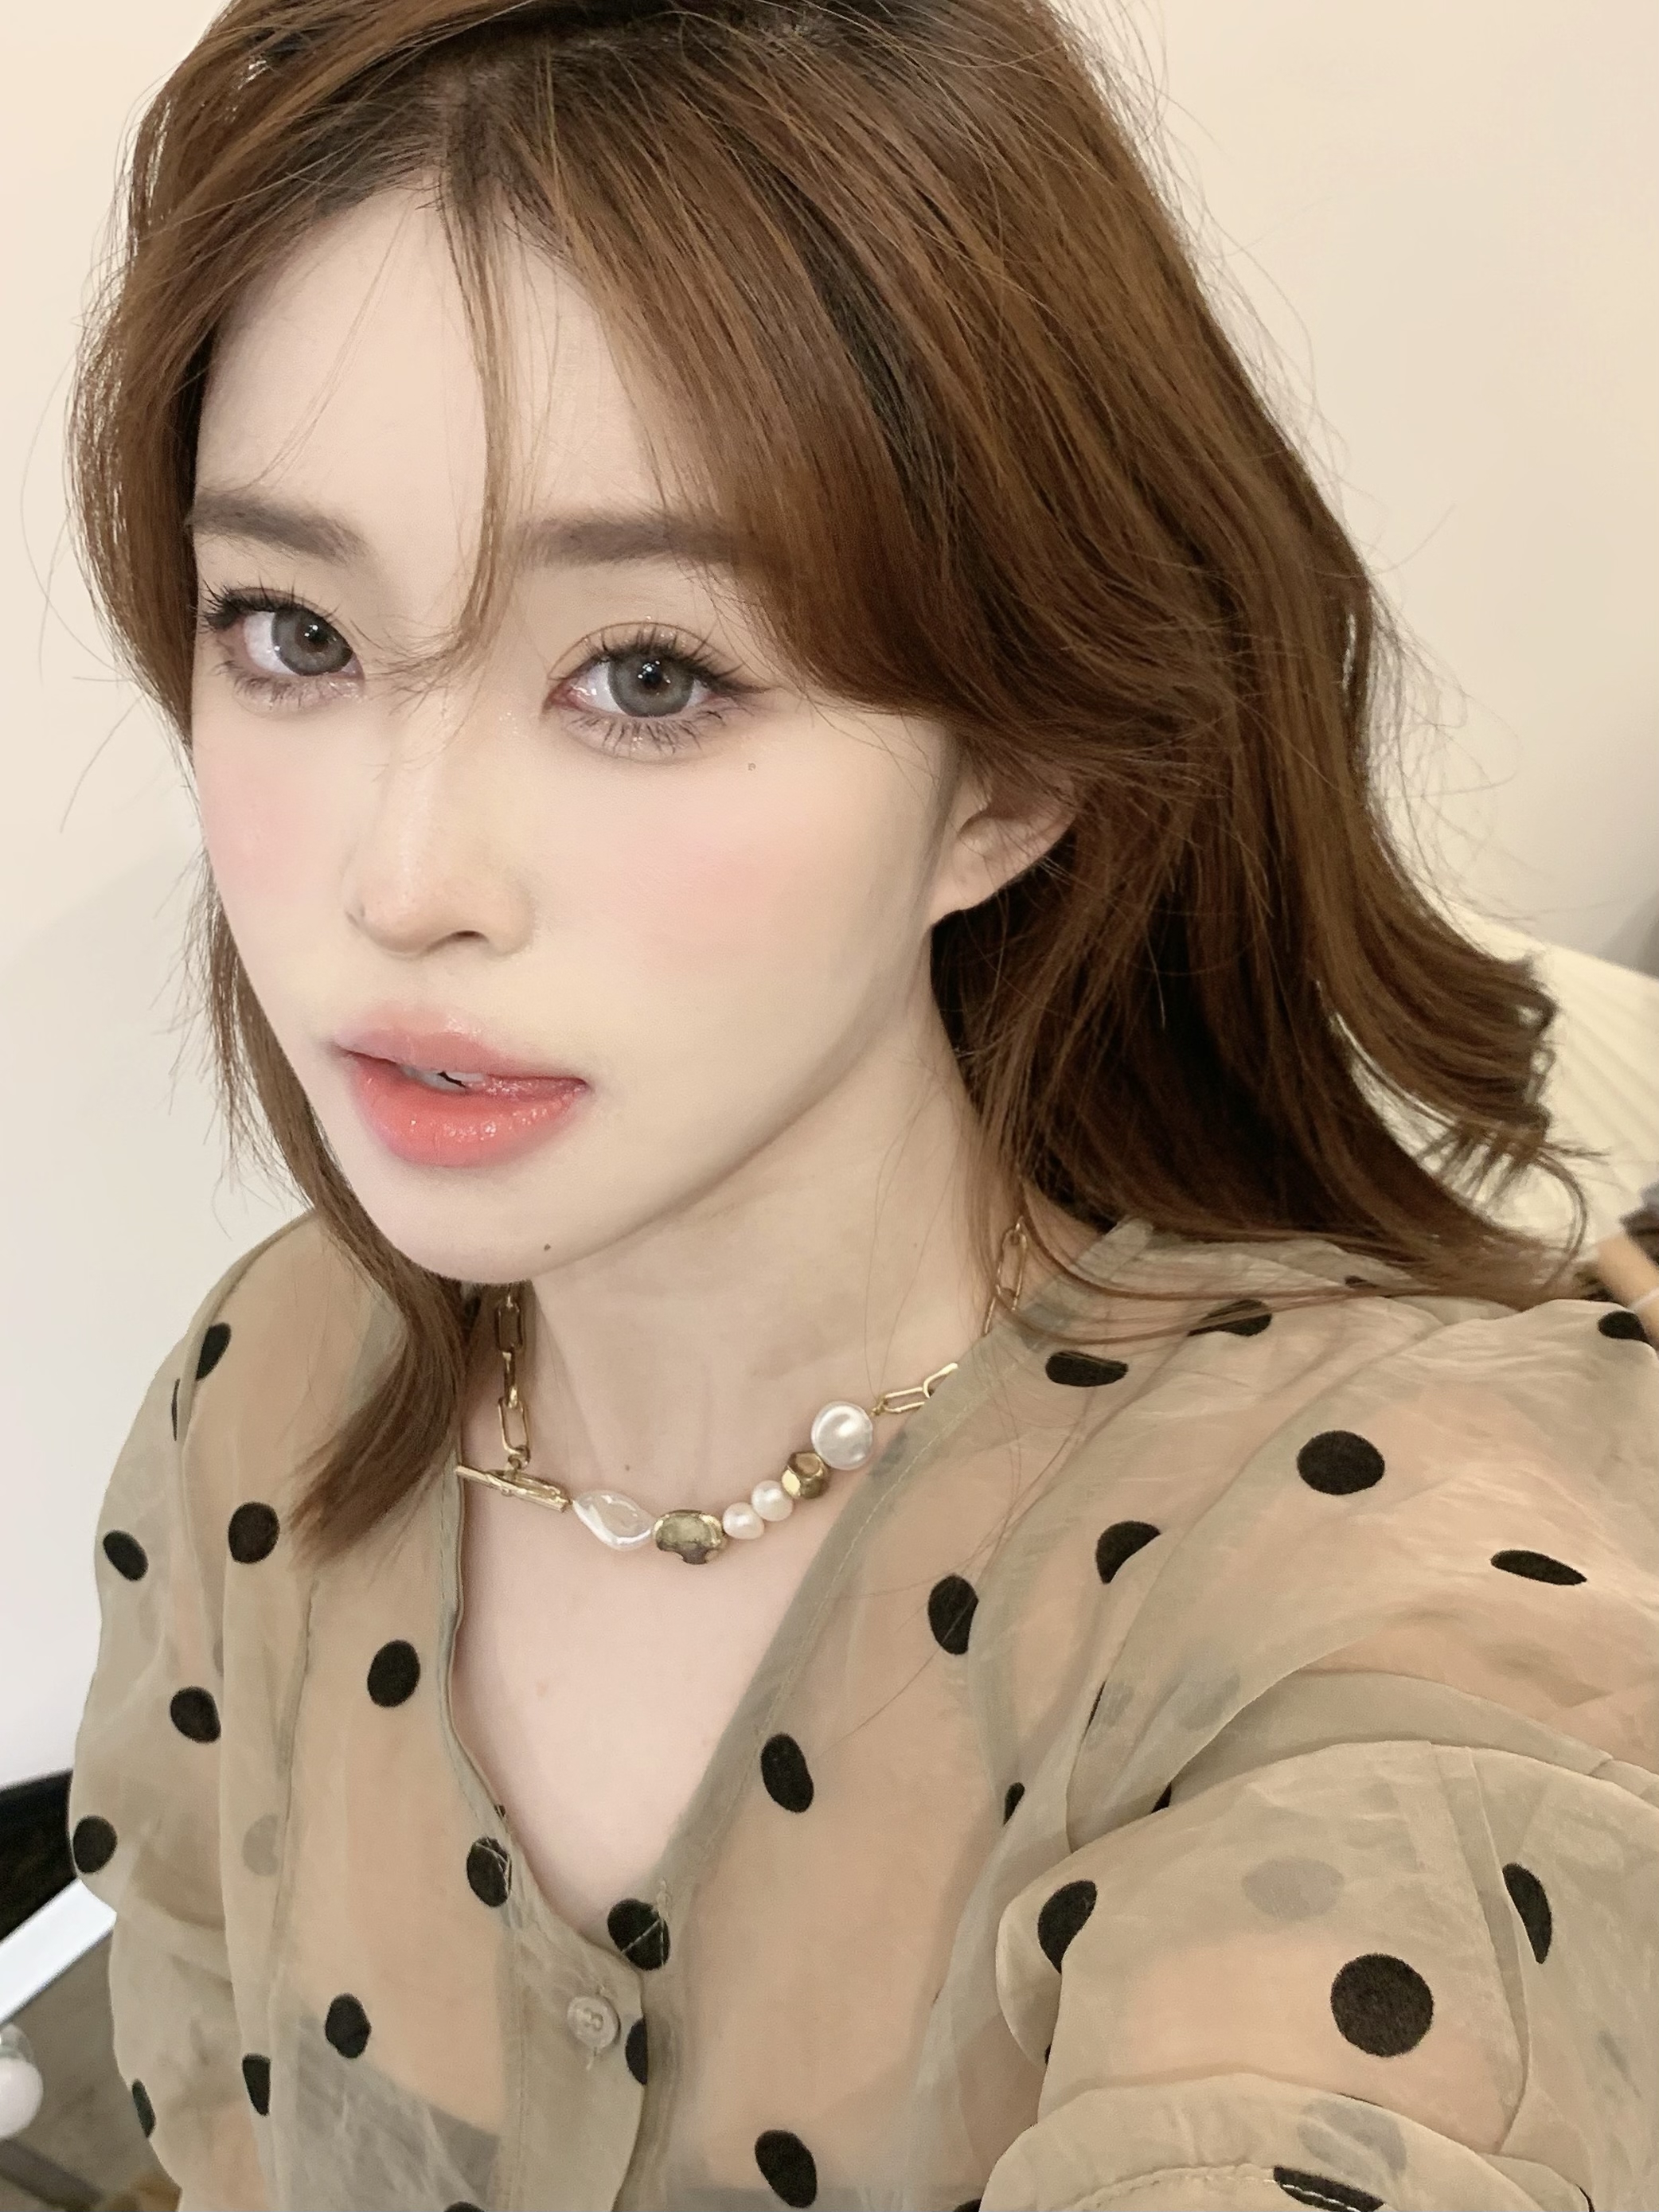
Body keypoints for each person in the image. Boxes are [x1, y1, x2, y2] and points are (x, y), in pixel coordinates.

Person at [64, 2, 1659, 2207]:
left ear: (1011, 773)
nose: (400, 882)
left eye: (649, 673)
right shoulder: (265, 1394)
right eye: (293, 632)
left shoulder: (1363, 1586)